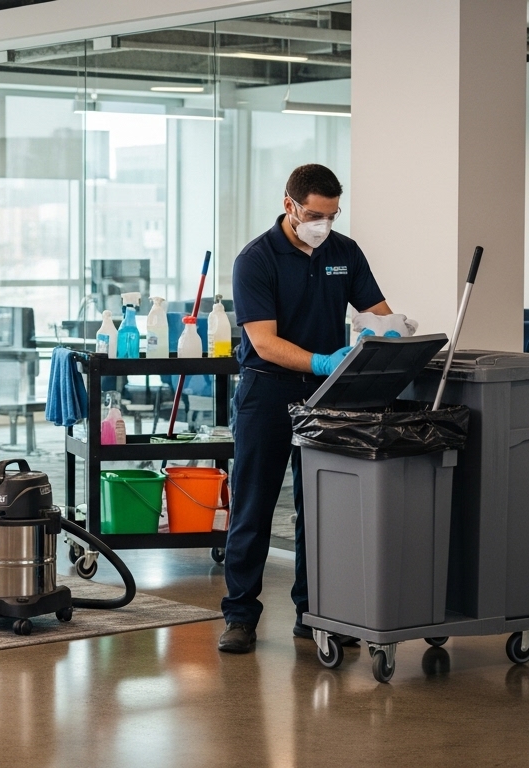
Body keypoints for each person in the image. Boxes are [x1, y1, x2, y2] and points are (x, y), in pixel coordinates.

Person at [219, 164, 396, 654]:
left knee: (318, 506)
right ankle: (240, 616)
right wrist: (322, 360)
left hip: (325, 395)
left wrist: (391, 330)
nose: (324, 225)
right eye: (316, 215)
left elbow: (378, 312)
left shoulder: (344, 252)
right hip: (267, 391)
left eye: (332, 215)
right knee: (253, 506)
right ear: (290, 205)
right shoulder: (256, 259)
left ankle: (315, 613)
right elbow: (264, 342)